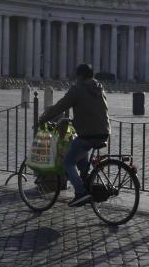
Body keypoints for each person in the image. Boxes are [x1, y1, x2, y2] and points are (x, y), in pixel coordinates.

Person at [38, 64, 110, 207]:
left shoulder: (78, 89)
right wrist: (73, 120)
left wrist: (44, 118)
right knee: (81, 157)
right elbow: (93, 111)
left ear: (80, 76)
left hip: (88, 134)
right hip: (103, 132)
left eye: (77, 77)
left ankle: (81, 193)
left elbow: (61, 105)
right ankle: (90, 185)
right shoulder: (99, 88)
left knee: (68, 162)